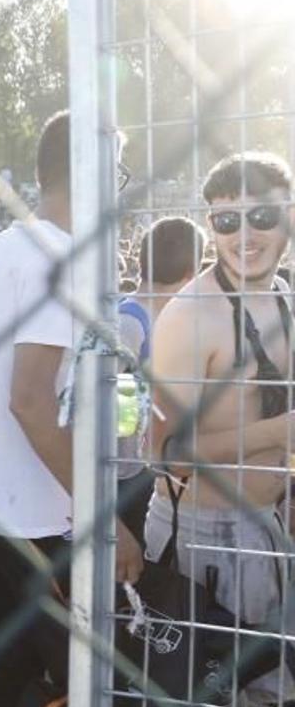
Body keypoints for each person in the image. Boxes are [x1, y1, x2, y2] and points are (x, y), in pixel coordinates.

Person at [0, 111, 143, 707]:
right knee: (100, 684)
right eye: (117, 175)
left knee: (7, 668)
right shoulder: (61, 257)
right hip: (37, 514)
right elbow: (27, 400)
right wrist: (100, 516)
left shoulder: (4, 246)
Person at [146, 153, 295, 707]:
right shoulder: (191, 314)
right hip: (204, 539)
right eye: (227, 220)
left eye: (261, 215)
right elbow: (167, 450)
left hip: (270, 528)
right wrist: (279, 433)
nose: (245, 234)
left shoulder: (284, 296)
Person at [115, 216, 205, 544]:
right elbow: (116, 415)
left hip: (149, 463)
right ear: (189, 274)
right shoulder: (130, 322)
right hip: (125, 472)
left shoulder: (164, 317)